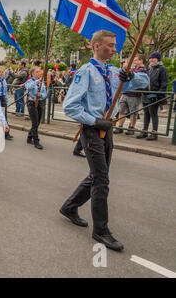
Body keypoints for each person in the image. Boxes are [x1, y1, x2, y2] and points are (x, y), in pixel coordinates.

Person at [60, 30, 149, 252]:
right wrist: (94, 121)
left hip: (106, 129)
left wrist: (133, 77)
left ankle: (70, 207)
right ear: (96, 46)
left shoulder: (113, 71)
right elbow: (70, 105)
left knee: (98, 175)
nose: (114, 49)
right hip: (92, 130)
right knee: (101, 180)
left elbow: (144, 81)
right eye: (109, 45)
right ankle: (101, 230)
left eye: (114, 45)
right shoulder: (86, 72)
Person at [136, 51, 168, 140]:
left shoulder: (162, 69)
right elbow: (145, 81)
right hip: (146, 95)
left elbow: (164, 83)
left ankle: (154, 133)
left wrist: (157, 94)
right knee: (146, 114)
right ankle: (144, 131)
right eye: (150, 58)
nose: (151, 60)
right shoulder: (148, 68)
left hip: (155, 95)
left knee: (153, 114)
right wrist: (143, 91)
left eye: (153, 58)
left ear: (158, 59)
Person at [114, 55, 147, 135]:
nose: (134, 62)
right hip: (125, 92)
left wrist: (130, 73)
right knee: (122, 110)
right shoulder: (133, 69)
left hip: (134, 94)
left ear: (141, 61)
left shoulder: (143, 70)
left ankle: (131, 127)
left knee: (133, 112)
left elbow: (138, 79)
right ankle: (120, 126)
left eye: (136, 60)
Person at [24, 66, 48, 149]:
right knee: (34, 123)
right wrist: (37, 81)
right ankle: (36, 141)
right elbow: (28, 87)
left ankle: (29, 137)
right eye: (37, 72)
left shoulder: (42, 83)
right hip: (32, 103)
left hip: (39, 102)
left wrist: (41, 95)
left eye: (39, 72)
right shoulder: (29, 81)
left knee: (37, 122)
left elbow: (45, 94)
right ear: (33, 73)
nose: (39, 73)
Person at [0, 66, 13, 140]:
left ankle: (6, 134)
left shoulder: (4, 81)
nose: (1, 73)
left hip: (3, 99)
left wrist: (6, 100)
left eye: (2, 72)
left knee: (4, 117)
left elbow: (5, 92)